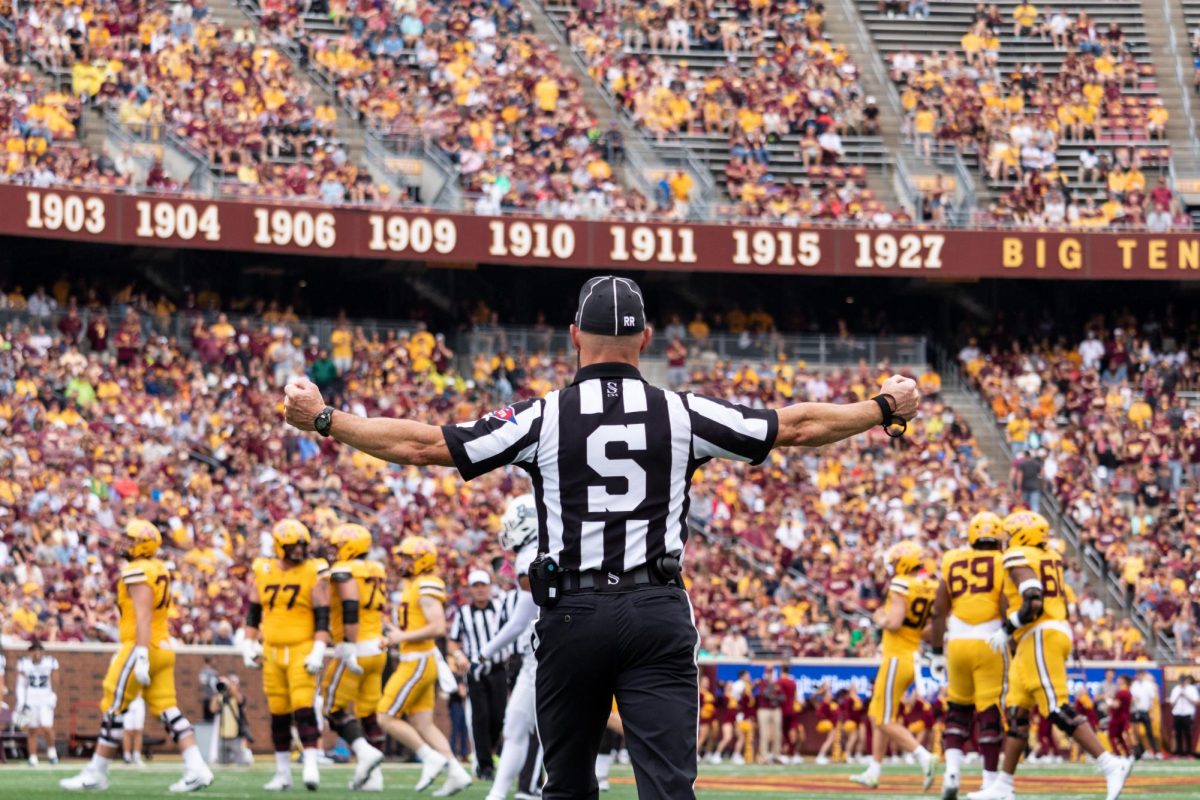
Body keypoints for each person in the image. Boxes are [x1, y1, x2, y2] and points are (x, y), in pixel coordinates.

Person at [282, 274, 920, 800]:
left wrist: (326, 419)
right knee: (669, 788)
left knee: (567, 786)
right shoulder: (682, 411)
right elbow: (797, 426)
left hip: (573, 612)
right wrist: (883, 408)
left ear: (574, 338)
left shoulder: (543, 415)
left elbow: (423, 444)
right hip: (656, 608)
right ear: (645, 337)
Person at [970, 511, 1132, 800]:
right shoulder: (1050, 557)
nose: (1005, 540)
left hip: (1039, 634)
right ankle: (1003, 786)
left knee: (1056, 708)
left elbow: (1033, 598)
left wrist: (1008, 628)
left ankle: (1111, 764)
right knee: (1017, 713)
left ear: (1021, 535)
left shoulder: (1019, 555)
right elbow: (1062, 606)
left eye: (1009, 534)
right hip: (1043, 634)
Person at [60, 520, 214, 792]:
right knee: (168, 709)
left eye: (130, 540)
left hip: (142, 647)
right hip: (163, 646)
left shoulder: (138, 569)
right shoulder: (158, 567)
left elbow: (143, 615)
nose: (124, 543)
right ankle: (197, 767)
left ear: (142, 545)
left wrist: (140, 653)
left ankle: (96, 771)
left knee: (112, 704)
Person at [377, 536, 473, 796]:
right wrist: (394, 636)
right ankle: (456, 772)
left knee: (385, 716)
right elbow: (415, 625)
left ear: (421, 560)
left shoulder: (426, 584)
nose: (402, 562)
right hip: (416, 658)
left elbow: (437, 627)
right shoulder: (413, 584)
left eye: (408, 558)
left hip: (418, 661)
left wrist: (402, 637)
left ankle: (429, 757)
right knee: (423, 723)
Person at [240, 519, 332, 791]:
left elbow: (322, 616)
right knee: (278, 713)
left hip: (301, 647)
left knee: (304, 707)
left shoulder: (313, 571)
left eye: (302, 546)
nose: (300, 552)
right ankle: (283, 774)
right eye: (294, 547)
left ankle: (311, 764)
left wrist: (318, 649)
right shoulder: (263, 569)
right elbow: (253, 612)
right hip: (271, 650)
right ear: (280, 546)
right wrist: (248, 643)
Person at [930, 511, 1008, 799]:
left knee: (958, 709)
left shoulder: (952, 559)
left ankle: (952, 772)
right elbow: (1004, 604)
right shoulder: (1002, 562)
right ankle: (989, 782)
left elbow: (939, 609)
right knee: (989, 712)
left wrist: (937, 652)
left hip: (958, 641)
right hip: (990, 640)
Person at [851, 541, 938, 789]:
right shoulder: (930, 585)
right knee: (878, 714)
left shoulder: (902, 584)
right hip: (912, 655)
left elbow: (894, 622)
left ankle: (924, 756)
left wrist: (880, 618)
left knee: (882, 719)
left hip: (896, 657)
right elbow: (928, 631)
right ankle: (874, 770)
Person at [483, 494, 545, 800]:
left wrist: (485, 651)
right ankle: (498, 794)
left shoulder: (529, 556)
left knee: (534, 727)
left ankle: (526, 789)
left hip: (543, 654)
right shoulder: (549, 548)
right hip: (544, 652)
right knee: (517, 726)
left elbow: (520, 620)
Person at [320, 523, 387, 790]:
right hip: (377, 647)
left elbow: (350, 604)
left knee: (332, 707)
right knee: (368, 713)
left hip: (356, 646)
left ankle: (365, 752)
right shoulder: (376, 568)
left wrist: (348, 642)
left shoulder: (345, 570)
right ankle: (375, 778)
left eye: (338, 546)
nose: (335, 551)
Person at [448, 568, 509, 780]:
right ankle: (485, 766)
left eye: (483, 585)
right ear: (470, 590)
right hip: (474, 671)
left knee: (499, 717)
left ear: (489, 587)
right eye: (476, 586)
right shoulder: (463, 613)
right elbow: (452, 640)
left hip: (499, 668)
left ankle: (487, 753)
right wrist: (458, 655)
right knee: (480, 717)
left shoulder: (501, 608)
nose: (480, 590)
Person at [16, 639, 59, 766]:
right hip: (31, 698)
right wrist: (21, 701)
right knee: (32, 729)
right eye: (34, 650)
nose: (37, 653)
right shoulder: (24, 663)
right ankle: (33, 757)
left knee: (47, 727)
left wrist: (53, 696)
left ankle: (52, 751)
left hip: (45, 698)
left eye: (39, 650)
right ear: (29, 653)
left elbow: (55, 681)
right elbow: (21, 685)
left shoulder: (50, 662)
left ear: (43, 651)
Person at [1130, 669, 1161, 759]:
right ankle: (1140, 751)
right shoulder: (1134, 685)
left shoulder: (1149, 685)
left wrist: (1151, 712)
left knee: (1149, 732)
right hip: (1136, 711)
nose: (1139, 676)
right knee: (1136, 733)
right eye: (1137, 675)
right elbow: (1132, 697)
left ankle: (1155, 751)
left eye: (1140, 674)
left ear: (1143, 675)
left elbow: (1151, 700)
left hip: (1145, 711)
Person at [1168, 675, 1198, 757]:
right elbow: (1171, 703)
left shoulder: (1191, 689)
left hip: (1187, 713)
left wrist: (1186, 696)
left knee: (1187, 733)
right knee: (1178, 733)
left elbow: (1196, 702)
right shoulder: (1176, 689)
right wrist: (1179, 696)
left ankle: (1189, 752)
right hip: (1177, 713)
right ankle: (1179, 752)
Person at [123, 697, 146, 766]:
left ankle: (137, 756)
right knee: (127, 731)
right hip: (127, 700)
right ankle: (127, 756)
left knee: (138, 731)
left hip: (139, 701)